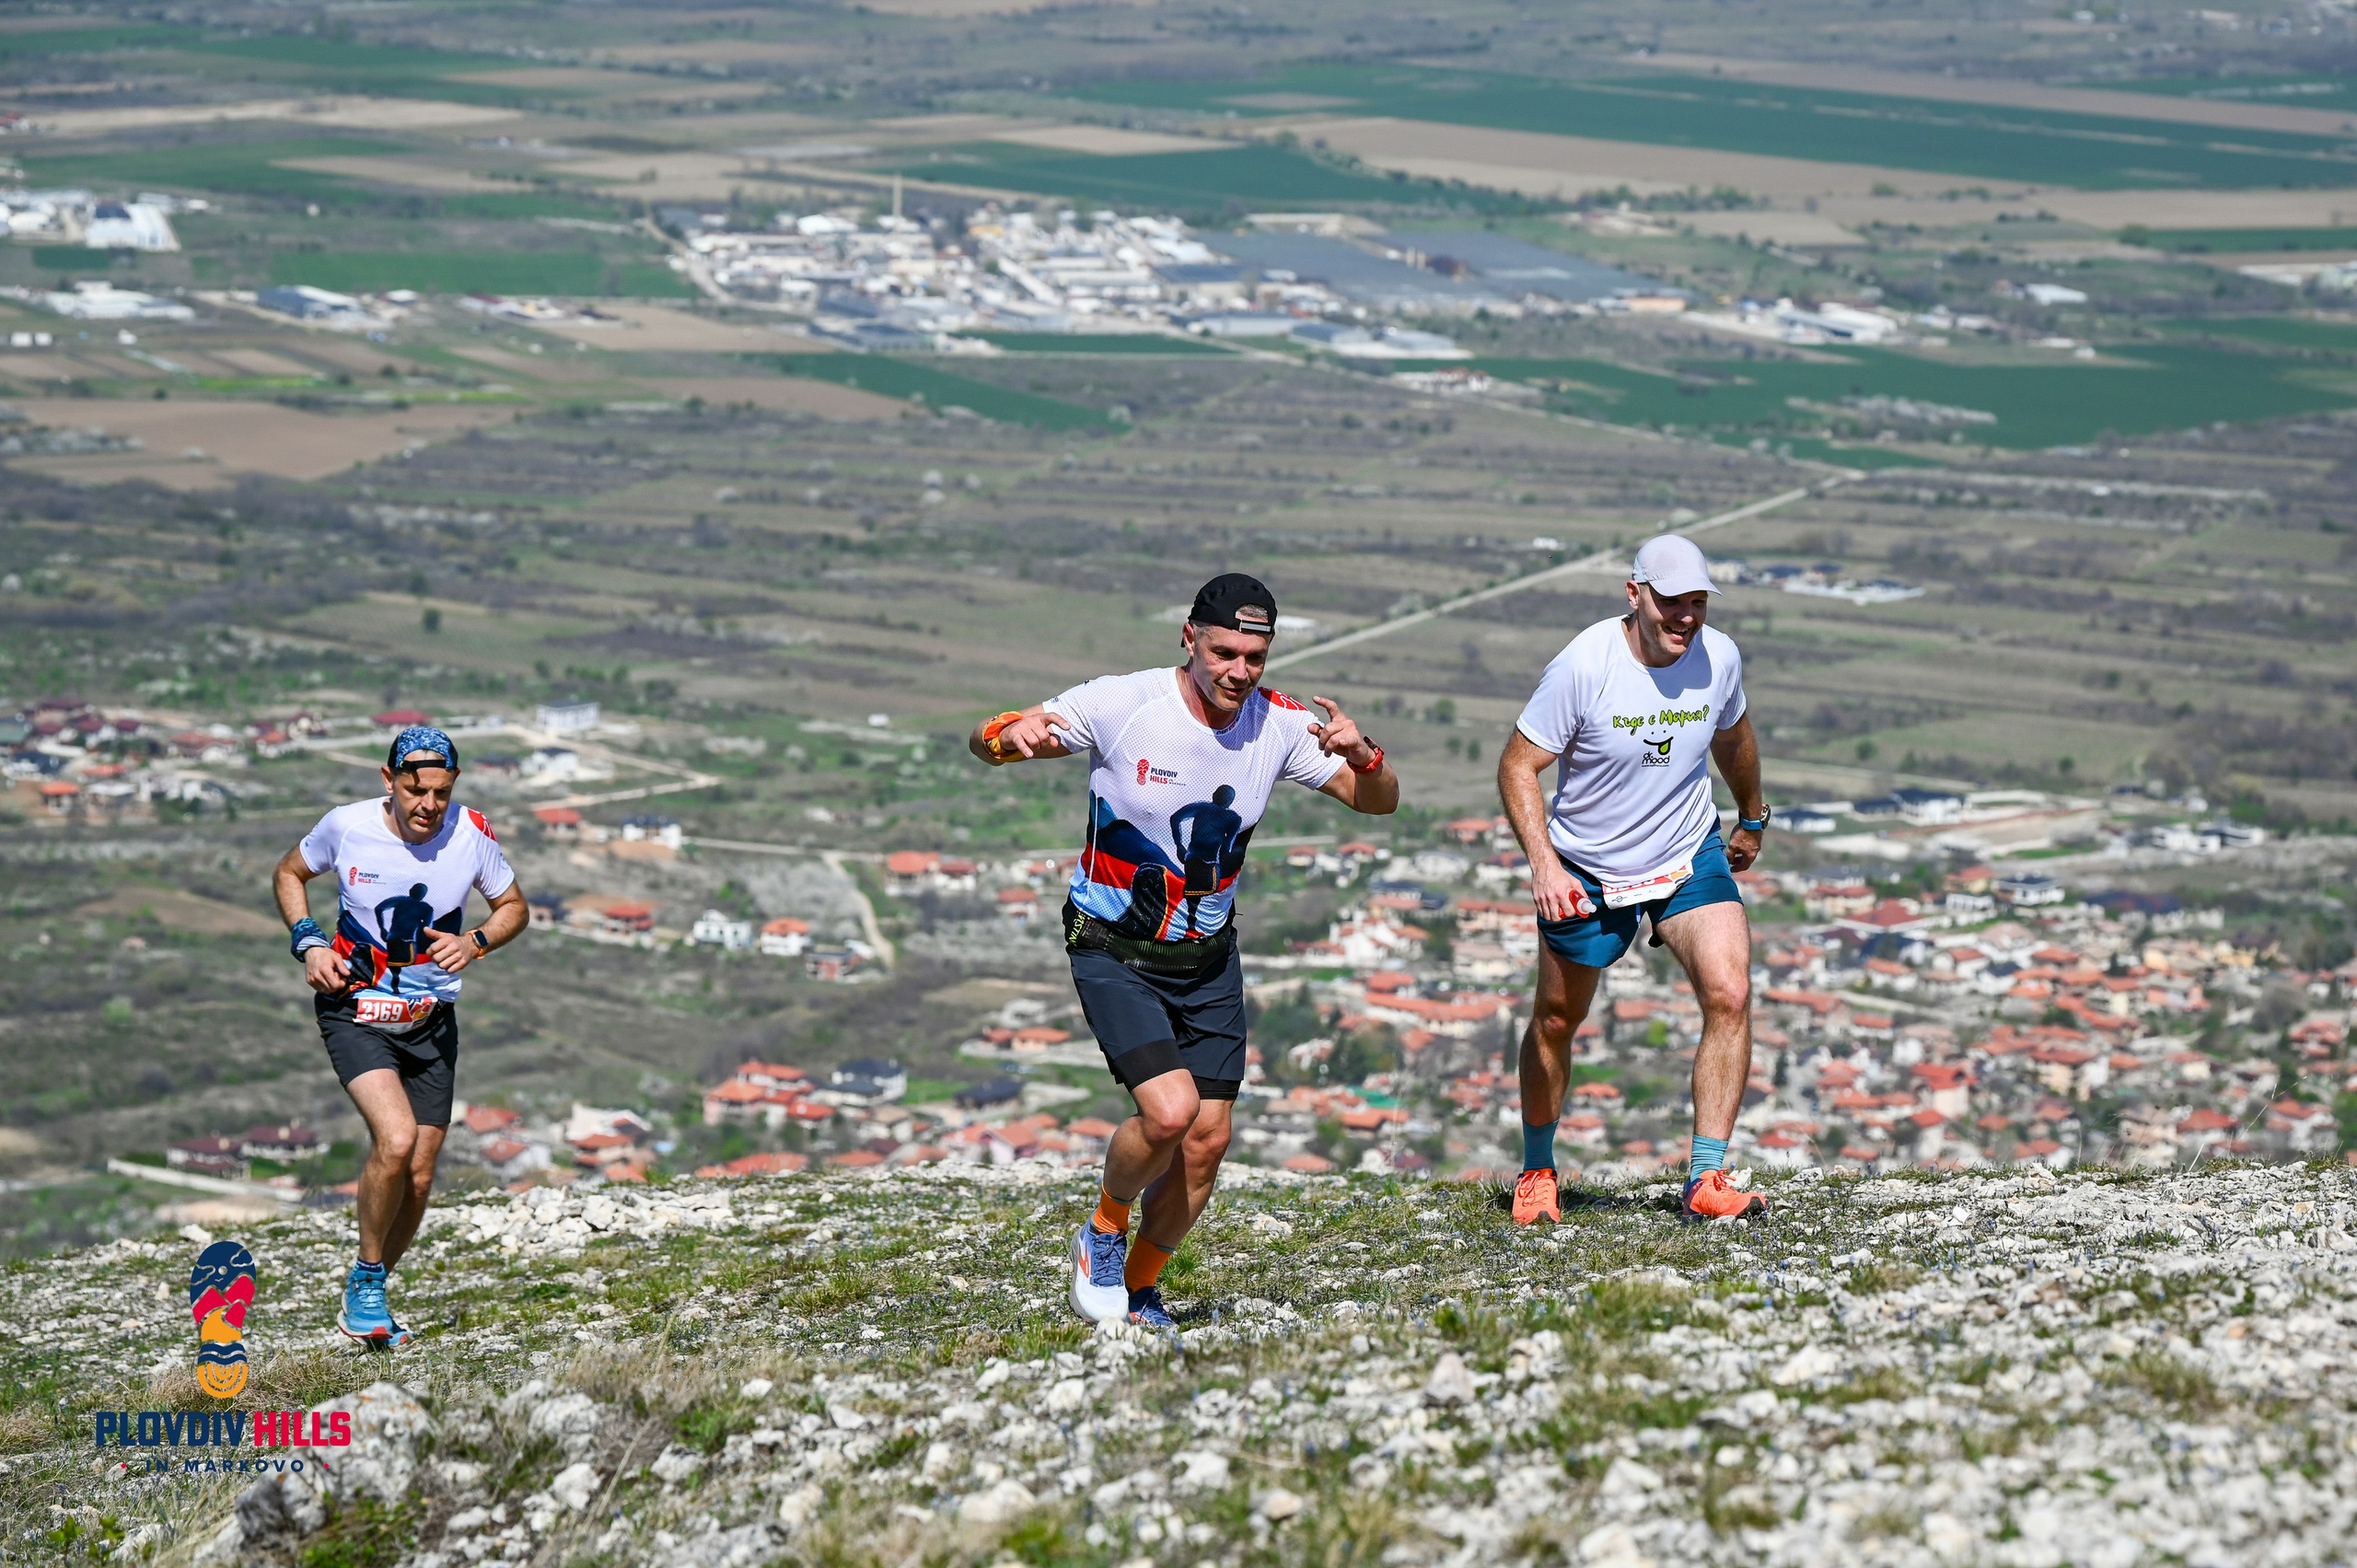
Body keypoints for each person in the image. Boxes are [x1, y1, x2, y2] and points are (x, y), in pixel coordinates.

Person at [970, 574, 1399, 1338]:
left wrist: (1364, 755)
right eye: (1224, 651)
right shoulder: (1123, 703)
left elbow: (1381, 801)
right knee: (1168, 1114)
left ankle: (1137, 1292)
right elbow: (989, 740)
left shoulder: (1279, 724)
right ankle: (1103, 1230)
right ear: (1188, 638)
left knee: (1207, 1140)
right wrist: (1009, 736)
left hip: (1207, 955)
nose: (1239, 670)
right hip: (1113, 945)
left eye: (1255, 657)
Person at [1494, 535, 1774, 1226]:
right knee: (1558, 1019)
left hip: (1686, 851)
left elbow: (1732, 735)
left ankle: (1707, 1176)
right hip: (1588, 866)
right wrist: (1544, 864)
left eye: (1697, 604)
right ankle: (1537, 1168)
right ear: (1635, 595)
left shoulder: (1720, 657)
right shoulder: (1585, 665)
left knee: (1730, 991)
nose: (1685, 617)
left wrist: (1753, 815)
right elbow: (1516, 766)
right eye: (1671, 602)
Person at [272, 725, 528, 1345]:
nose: (428, 806)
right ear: (388, 781)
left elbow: (514, 905)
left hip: (430, 1021)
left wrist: (476, 941)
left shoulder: (472, 832)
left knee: (419, 1171)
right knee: (397, 1138)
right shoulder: (348, 825)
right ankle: (365, 1277)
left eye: (440, 792)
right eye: (415, 791)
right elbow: (289, 872)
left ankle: (371, 1290)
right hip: (354, 1009)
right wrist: (308, 941)